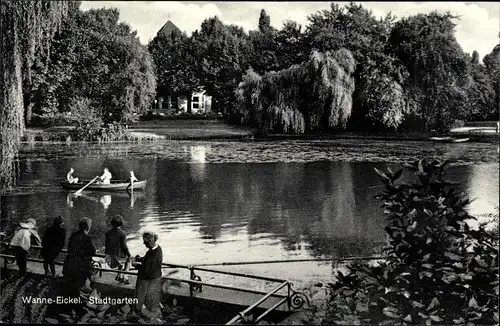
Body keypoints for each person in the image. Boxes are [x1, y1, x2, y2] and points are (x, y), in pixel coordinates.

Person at [61, 217, 96, 318]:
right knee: (76, 287)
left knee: (71, 287)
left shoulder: (73, 235)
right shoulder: (87, 238)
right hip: (79, 267)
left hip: (69, 264)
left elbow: (70, 249)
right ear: (87, 228)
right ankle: (76, 310)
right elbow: (92, 251)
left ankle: (69, 308)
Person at [131, 232, 163, 317]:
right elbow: (147, 260)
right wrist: (139, 258)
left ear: (150, 242)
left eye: (145, 242)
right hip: (156, 276)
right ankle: (149, 312)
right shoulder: (157, 249)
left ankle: (140, 311)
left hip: (148, 279)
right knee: (151, 297)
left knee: (142, 296)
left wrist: (135, 265)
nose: (144, 244)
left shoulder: (152, 254)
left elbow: (145, 269)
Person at [105, 215, 131, 284]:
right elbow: (124, 247)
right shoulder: (123, 233)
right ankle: (125, 277)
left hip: (108, 258)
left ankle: (119, 275)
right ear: (121, 223)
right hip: (115, 260)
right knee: (128, 260)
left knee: (120, 256)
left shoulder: (108, 233)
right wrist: (129, 255)